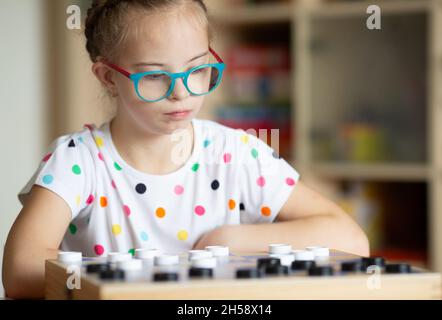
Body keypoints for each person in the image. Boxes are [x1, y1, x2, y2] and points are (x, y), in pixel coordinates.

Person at [2, 0, 369, 299]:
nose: (182, 92)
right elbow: (21, 269)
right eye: (154, 76)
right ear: (108, 77)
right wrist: (141, 285)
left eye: (196, 70)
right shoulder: (77, 160)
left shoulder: (237, 154)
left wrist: (229, 241)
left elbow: (350, 239)